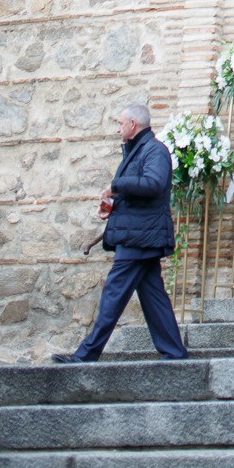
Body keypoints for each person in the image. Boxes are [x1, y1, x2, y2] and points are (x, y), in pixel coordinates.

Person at [52, 101, 188, 363]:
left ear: (133, 124)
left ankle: (87, 353)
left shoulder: (154, 151)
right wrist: (110, 206)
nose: (117, 129)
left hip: (139, 238)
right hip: (139, 235)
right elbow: (136, 194)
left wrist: (116, 185)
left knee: (113, 293)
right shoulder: (136, 151)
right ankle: (175, 351)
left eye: (119, 123)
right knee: (153, 295)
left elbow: (153, 184)